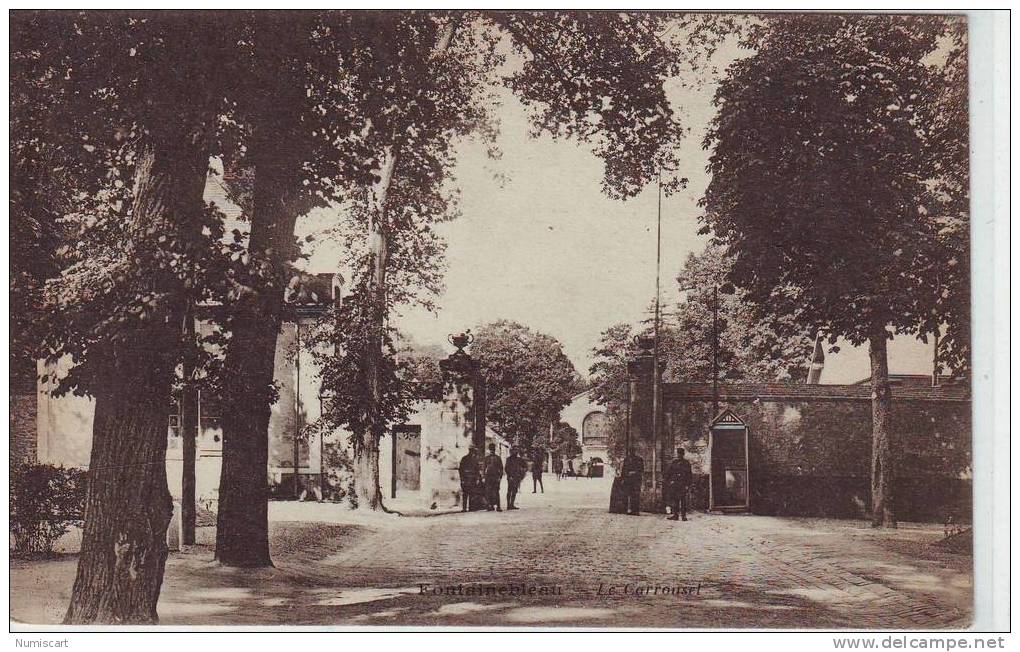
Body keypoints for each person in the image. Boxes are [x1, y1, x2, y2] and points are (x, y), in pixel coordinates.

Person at [665, 447, 693, 521]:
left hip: (683, 484)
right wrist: (669, 481)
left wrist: (688, 485)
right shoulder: (674, 462)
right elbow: (669, 472)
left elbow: (689, 475)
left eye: (680, 454)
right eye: (678, 454)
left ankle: (683, 516)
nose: (678, 455)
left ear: (682, 454)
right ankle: (675, 515)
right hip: (675, 484)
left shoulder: (686, 463)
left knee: (683, 500)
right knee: (675, 500)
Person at [458, 445, 481, 512]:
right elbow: (461, 470)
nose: (473, 453)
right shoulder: (469, 459)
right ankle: (469, 508)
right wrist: (462, 478)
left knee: (469, 494)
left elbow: (477, 470)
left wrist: (477, 478)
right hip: (468, 478)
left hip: (469, 478)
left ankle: (467, 508)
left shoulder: (465, 458)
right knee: (468, 493)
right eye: (473, 451)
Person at [621, 449, 644, 515]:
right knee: (629, 495)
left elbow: (641, 470)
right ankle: (630, 509)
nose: (631, 453)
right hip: (628, 480)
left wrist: (634, 472)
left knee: (636, 495)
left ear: (634, 452)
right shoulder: (627, 459)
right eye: (630, 452)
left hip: (636, 480)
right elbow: (624, 469)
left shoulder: (639, 459)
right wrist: (623, 478)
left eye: (632, 452)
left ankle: (636, 511)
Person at [482, 443, 504, 512]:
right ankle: (490, 506)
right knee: (489, 492)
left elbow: (501, 468)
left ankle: (498, 506)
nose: (492, 451)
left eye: (493, 449)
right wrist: (483, 477)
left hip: (495, 476)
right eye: (491, 449)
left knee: (496, 491)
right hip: (488, 477)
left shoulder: (498, 458)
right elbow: (484, 468)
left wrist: (500, 477)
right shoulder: (486, 458)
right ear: (489, 449)